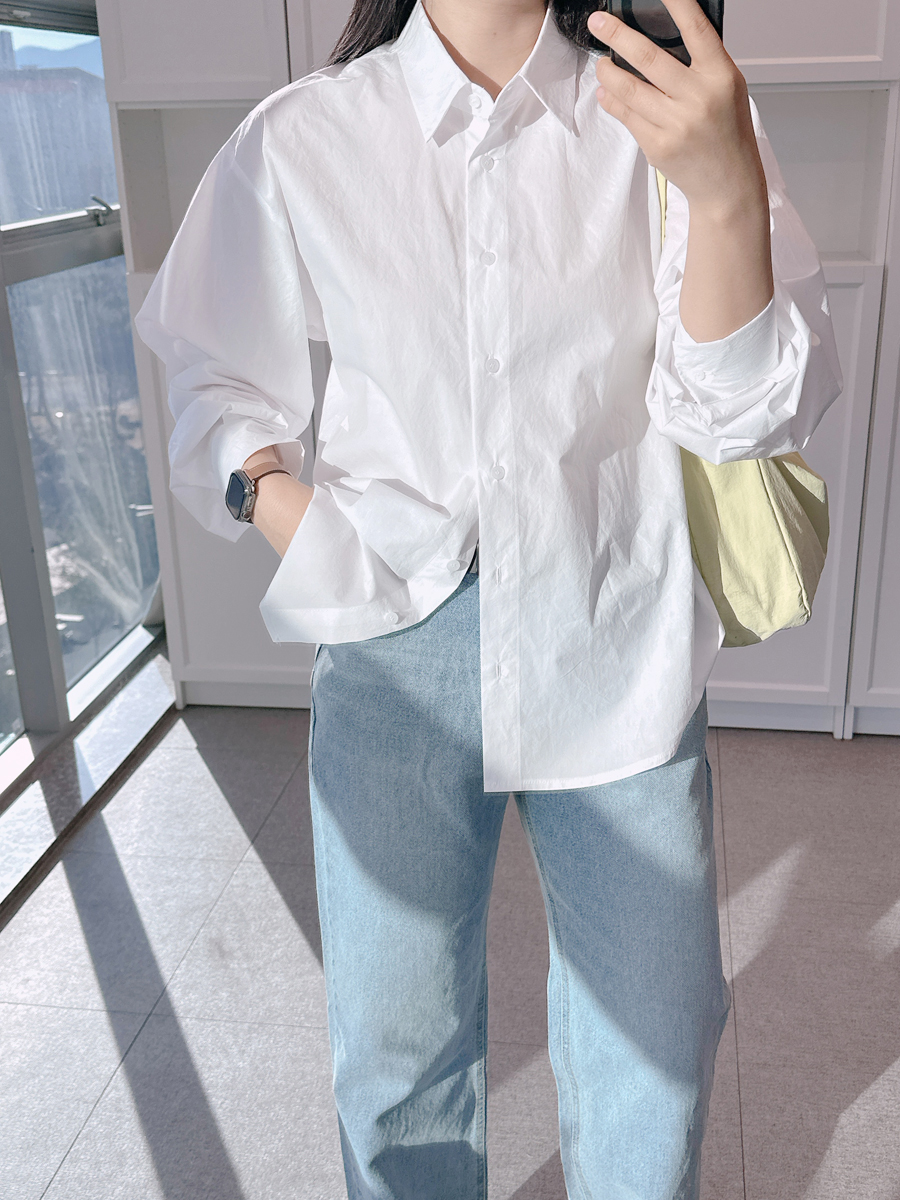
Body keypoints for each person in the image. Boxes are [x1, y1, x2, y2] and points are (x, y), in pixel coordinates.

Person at [136, 0, 841, 1195]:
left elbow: (747, 413)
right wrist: (287, 511)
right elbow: (213, 371)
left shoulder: (664, 109)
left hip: (613, 624)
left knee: (659, 1054)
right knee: (396, 1068)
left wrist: (725, 195)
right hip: (393, 646)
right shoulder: (306, 133)